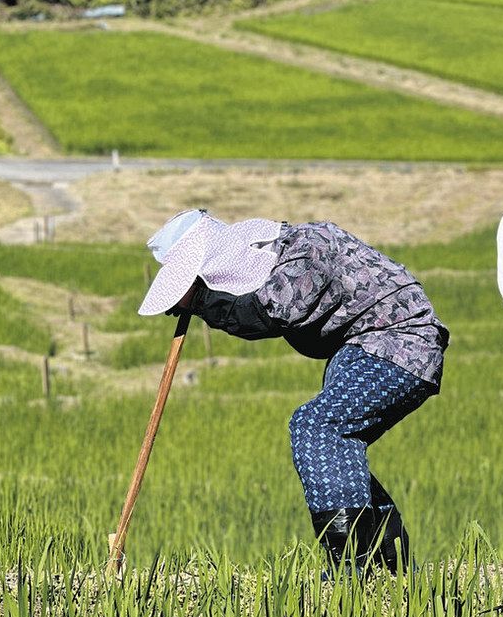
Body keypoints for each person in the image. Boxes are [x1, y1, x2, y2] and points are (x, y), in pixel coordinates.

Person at [139, 209, 449, 574]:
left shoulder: (305, 251)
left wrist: (200, 301)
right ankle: (388, 563)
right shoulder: (283, 252)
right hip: (359, 349)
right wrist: (197, 299)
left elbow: (261, 316)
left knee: (318, 427)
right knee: (339, 457)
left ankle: (352, 565)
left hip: (402, 342)